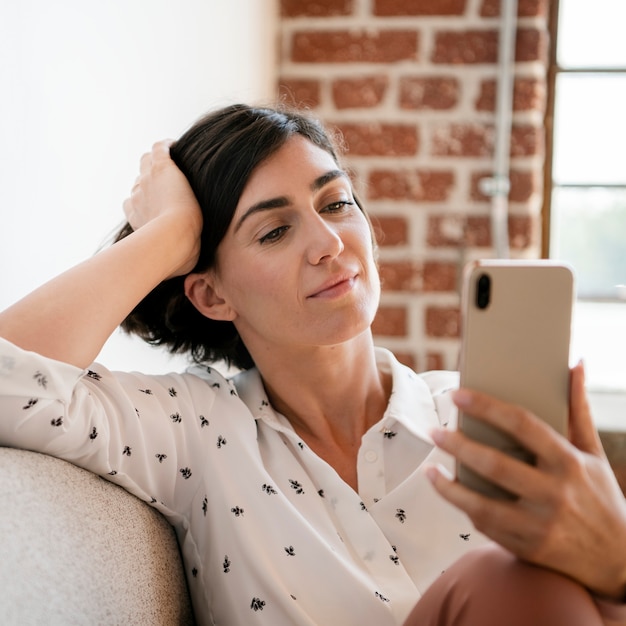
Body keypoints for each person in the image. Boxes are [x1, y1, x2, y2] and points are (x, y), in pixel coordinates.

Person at [0, 103, 625, 625]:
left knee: (526, 582)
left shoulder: (477, 415)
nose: (329, 244)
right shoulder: (194, 431)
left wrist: (615, 561)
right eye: (274, 232)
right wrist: (167, 233)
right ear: (213, 294)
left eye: (336, 204)